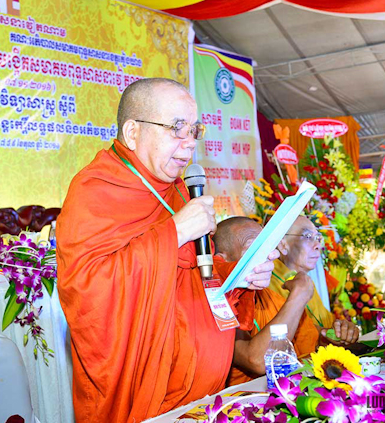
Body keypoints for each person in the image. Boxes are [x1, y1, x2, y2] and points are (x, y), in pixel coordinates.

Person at [56, 78, 278, 423]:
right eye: (177, 128)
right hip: (140, 395)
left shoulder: (176, 191)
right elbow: (88, 291)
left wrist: (241, 274)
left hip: (203, 400)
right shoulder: (97, 190)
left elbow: (195, 276)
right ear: (133, 133)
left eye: (194, 130)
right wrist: (175, 231)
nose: (189, 143)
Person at [213, 216, 359, 386]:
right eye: (253, 249)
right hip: (241, 398)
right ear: (222, 260)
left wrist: (334, 335)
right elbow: (258, 360)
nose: (269, 257)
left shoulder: (265, 295)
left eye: (267, 248)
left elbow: (308, 335)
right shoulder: (216, 301)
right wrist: (299, 296)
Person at [269, 216, 358, 342]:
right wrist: (322, 335)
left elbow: (326, 323)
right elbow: (275, 338)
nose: (318, 246)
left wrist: (342, 330)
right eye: (308, 236)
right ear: (283, 245)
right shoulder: (267, 283)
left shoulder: (302, 280)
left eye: (318, 238)